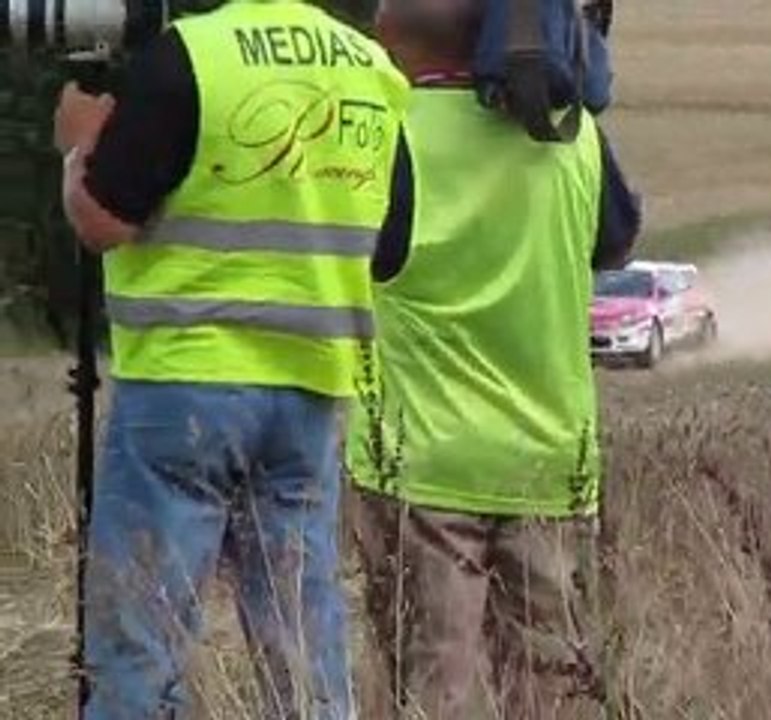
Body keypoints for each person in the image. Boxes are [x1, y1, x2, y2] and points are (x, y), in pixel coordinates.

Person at [53, 0, 408, 716]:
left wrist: (76, 150)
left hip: (184, 385)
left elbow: (102, 217)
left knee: (143, 635)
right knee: (301, 632)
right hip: (308, 393)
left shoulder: (194, 57)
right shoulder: (370, 68)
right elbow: (391, 249)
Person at [346, 0, 641, 717]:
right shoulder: (576, 139)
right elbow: (616, 243)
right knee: (555, 696)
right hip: (551, 464)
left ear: (393, 43)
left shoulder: (390, 138)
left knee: (425, 692)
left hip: (419, 464)